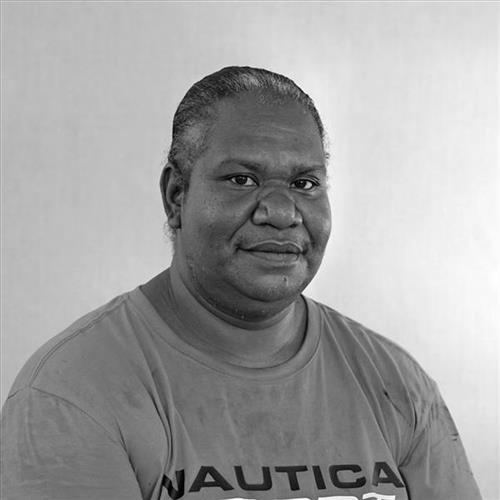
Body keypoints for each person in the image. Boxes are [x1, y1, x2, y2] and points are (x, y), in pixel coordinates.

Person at [1, 66, 481, 500]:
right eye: (242, 180)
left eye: (305, 183)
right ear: (176, 196)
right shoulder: (72, 394)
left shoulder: (396, 383)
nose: (282, 212)